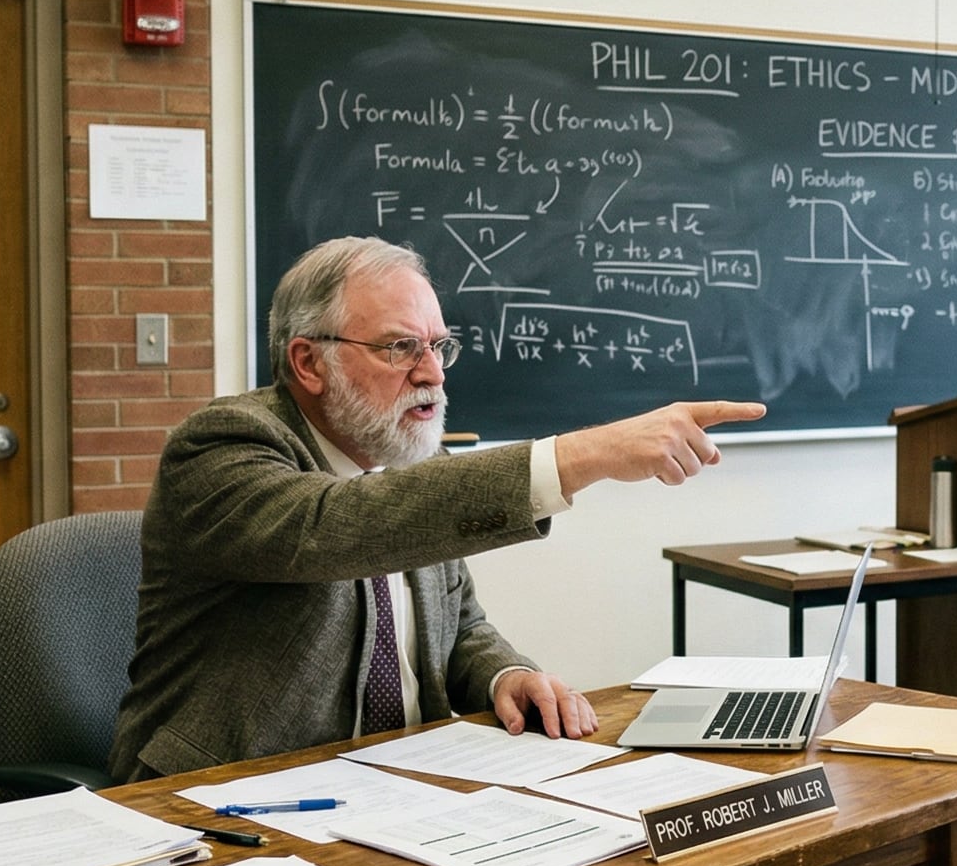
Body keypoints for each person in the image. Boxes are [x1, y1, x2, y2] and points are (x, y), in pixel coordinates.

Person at [108, 235, 764, 782]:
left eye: (438, 346)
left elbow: (458, 625)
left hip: (395, 786)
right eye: (399, 349)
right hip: (222, 800)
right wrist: (578, 456)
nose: (432, 373)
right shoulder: (222, 446)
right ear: (308, 362)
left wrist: (504, 674)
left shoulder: (413, 458)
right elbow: (339, 526)